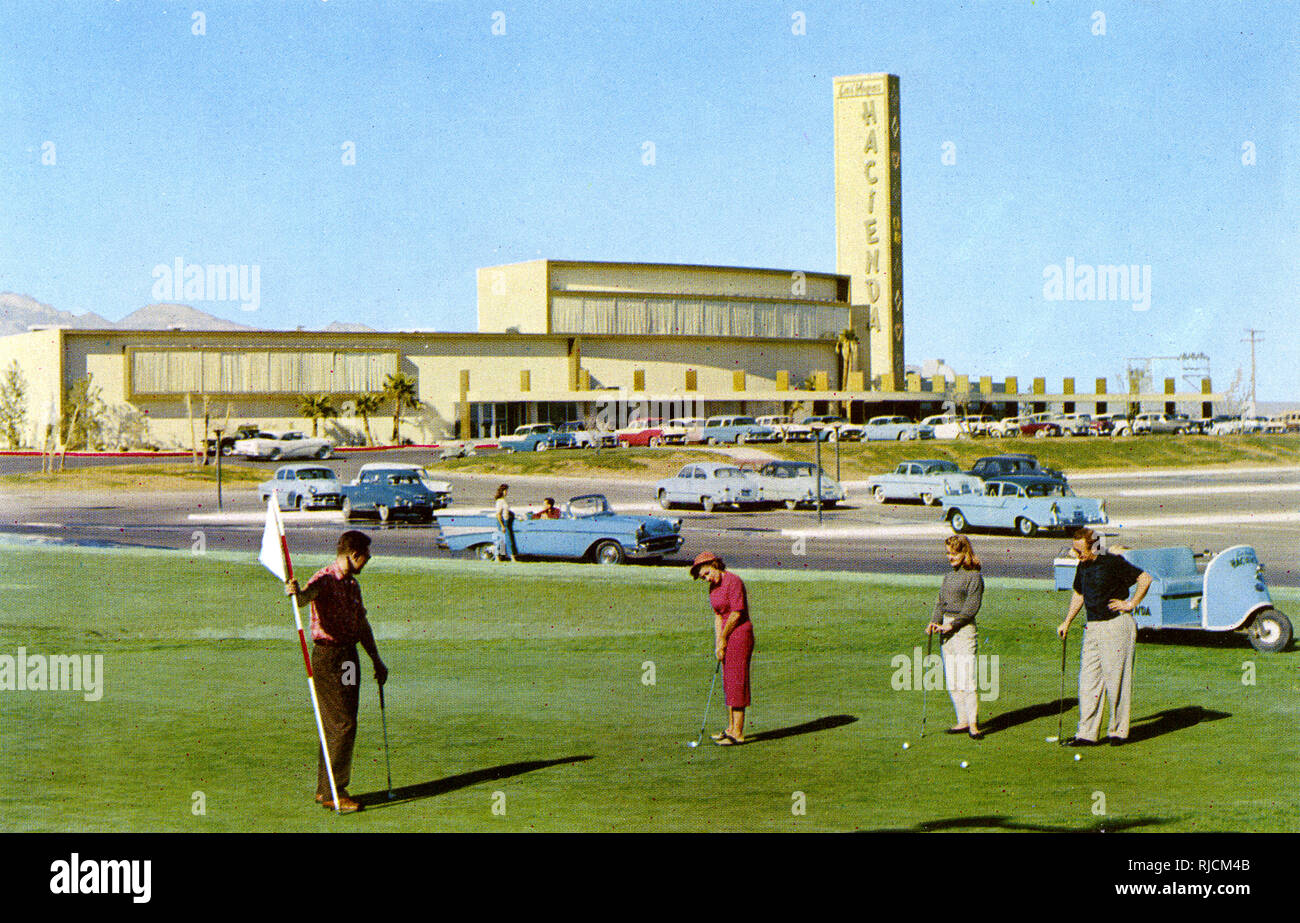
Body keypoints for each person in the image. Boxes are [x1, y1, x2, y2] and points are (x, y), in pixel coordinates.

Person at [285, 530, 388, 813]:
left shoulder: (353, 586)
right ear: (354, 554)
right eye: (366, 555)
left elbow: (362, 626)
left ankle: (325, 788)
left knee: (342, 722)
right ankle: (334, 790)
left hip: (348, 659)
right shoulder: (325, 578)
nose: (368, 560)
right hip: (329, 658)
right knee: (342, 724)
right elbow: (306, 597)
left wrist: (376, 660)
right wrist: (297, 592)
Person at [1057, 527, 1152, 746]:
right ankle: (1086, 734)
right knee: (1088, 682)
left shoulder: (1112, 562)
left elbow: (1145, 579)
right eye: (1075, 550)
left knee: (1116, 681)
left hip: (1116, 626)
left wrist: (1130, 604)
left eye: (1081, 550)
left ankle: (1118, 732)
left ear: (1095, 546)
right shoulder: (1083, 565)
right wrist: (1067, 621)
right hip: (1092, 627)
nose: (1077, 555)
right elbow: (1079, 594)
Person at [691, 552, 753, 745]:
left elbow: (736, 614)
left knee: (737, 681)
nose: (707, 578)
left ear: (715, 565)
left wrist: (724, 637)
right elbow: (718, 616)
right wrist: (718, 642)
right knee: (728, 681)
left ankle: (738, 733)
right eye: (704, 578)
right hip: (727, 635)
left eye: (708, 573)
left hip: (740, 634)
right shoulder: (713, 588)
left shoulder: (734, 581)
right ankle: (730, 728)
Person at [927, 534, 984, 739]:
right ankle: (962, 721)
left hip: (964, 630)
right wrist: (935, 622)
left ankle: (974, 725)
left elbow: (971, 608)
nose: (949, 557)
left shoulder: (974, 576)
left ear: (964, 552)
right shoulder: (949, 576)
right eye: (948, 553)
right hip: (946, 630)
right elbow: (940, 602)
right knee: (952, 679)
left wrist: (951, 625)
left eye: (953, 553)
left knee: (966, 678)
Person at [494, 483, 518, 561]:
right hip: (503, 522)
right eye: (506, 491)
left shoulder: (504, 500)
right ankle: (501, 556)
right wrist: (502, 525)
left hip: (508, 521)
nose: (507, 492)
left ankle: (502, 556)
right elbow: (498, 514)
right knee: (504, 539)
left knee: (507, 539)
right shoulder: (500, 501)